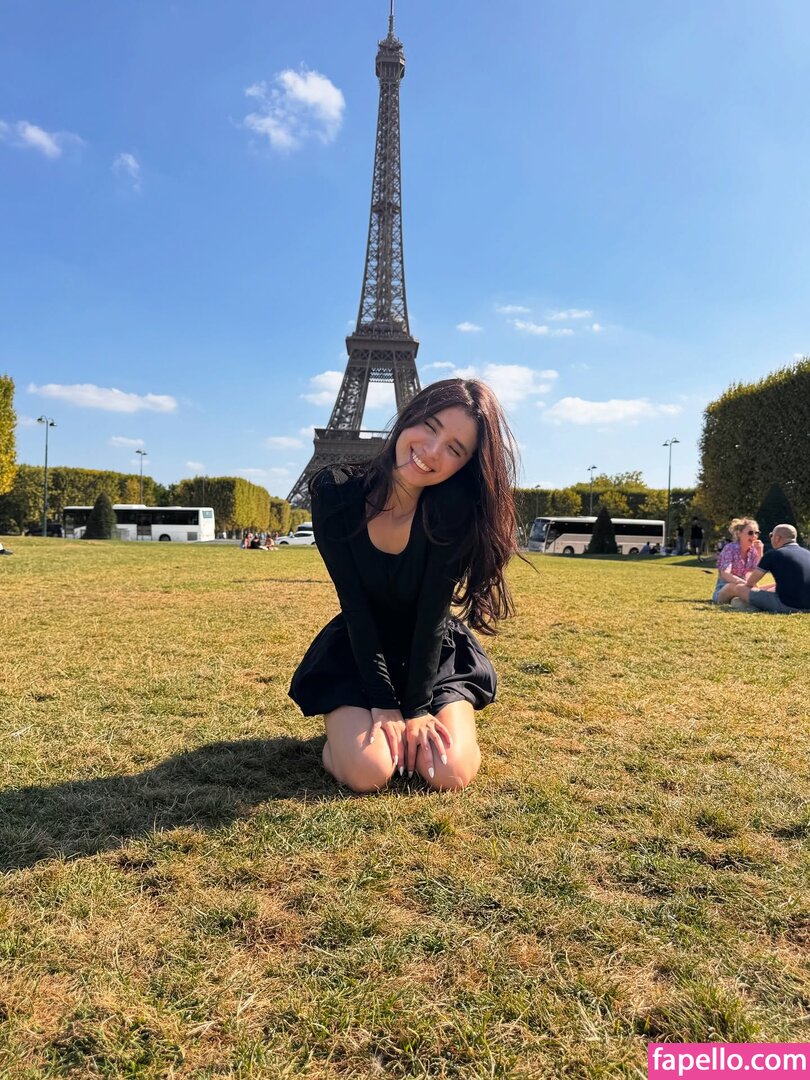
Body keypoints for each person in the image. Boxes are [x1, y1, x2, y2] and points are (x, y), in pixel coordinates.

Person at [289, 378, 520, 794]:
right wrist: (383, 702)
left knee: (449, 772)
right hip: (360, 648)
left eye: (454, 449)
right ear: (410, 416)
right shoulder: (335, 492)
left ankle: (416, 721)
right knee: (369, 772)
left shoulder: (452, 511)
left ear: (465, 465)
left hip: (431, 651)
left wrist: (415, 709)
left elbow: (432, 617)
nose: (432, 451)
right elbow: (355, 605)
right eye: (430, 427)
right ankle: (340, 743)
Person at [731, 524, 810, 614]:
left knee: (740, 588)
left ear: (777, 538)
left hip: (787, 605)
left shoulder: (773, 554)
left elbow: (750, 583)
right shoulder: (808, 553)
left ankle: (753, 606)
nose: (771, 538)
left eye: (771, 535)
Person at [712, 518, 763, 604]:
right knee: (733, 587)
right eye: (750, 533)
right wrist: (745, 584)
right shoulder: (730, 548)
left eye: (756, 533)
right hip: (725, 589)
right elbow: (725, 574)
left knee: (776, 586)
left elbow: (756, 573)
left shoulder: (753, 551)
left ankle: (742, 600)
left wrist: (760, 552)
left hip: (745, 588)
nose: (754, 536)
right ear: (739, 533)